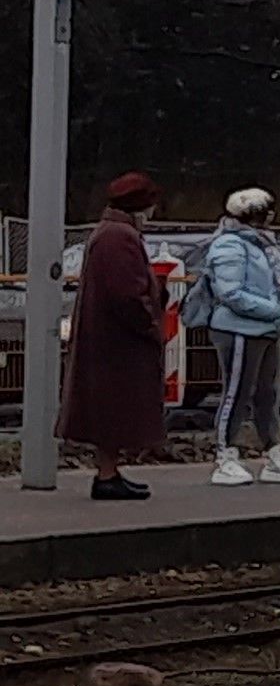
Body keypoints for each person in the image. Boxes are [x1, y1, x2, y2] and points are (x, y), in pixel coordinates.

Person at [60, 172, 171, 501]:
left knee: (110, 411)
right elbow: (128, 295)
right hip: (118, 344)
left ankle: (109, 473)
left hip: (109, 340)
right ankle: (107, 476)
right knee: (114, 410)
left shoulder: (109, 232)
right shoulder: (120, 237)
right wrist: (152, 323)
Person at [196, 188, 280, 487]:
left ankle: (273, 453)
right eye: (267, 211)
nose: (272, 216)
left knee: (268, 394)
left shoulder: (261, 244)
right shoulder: (229, 244)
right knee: (237, 393)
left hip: (266, 329)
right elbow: (230, 293)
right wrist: (274, 310)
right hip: (238, 329)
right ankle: (225, 456)